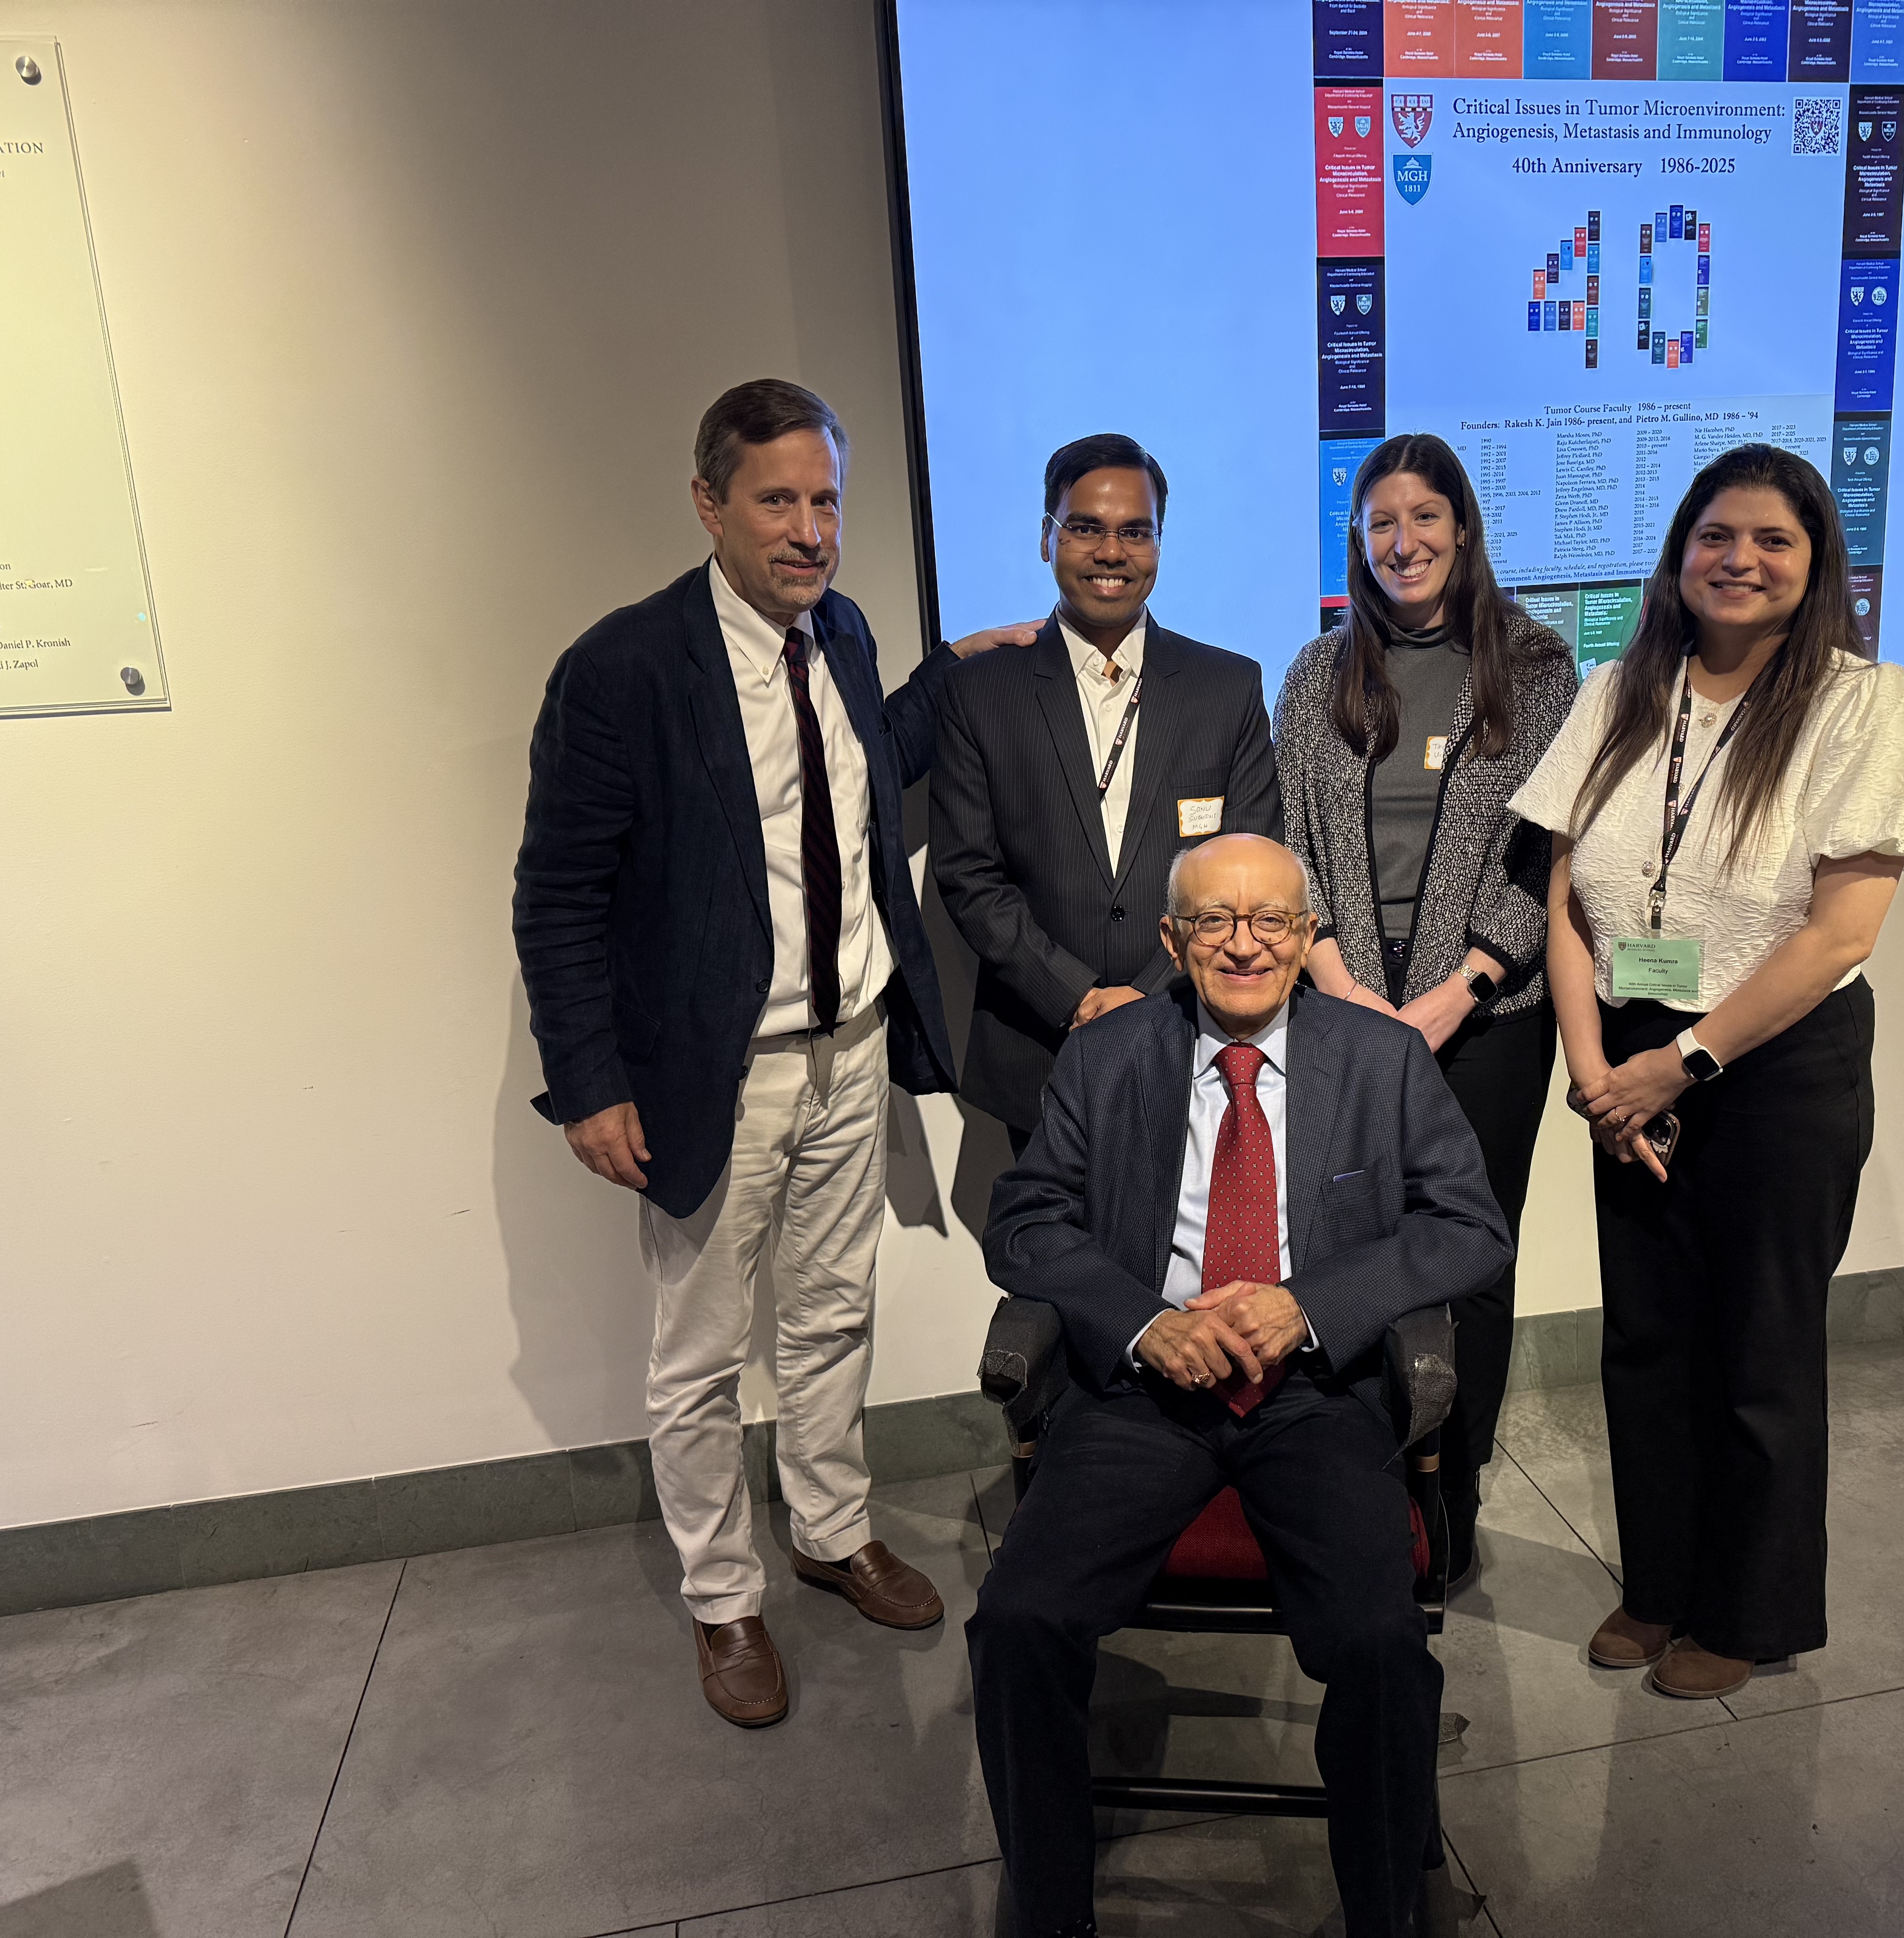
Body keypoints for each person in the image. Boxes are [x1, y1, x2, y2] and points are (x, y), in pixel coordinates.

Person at [512, 379, 1036, 1729]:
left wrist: (948, 674)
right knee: (699, 1355)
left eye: (827, 501)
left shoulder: (840, 631)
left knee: (832, 1311)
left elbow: (858, 767)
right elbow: (558, 894)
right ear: (709, 504)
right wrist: (590, 1083)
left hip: (851, 1047)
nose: (810, 531)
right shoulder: (623, 669)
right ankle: (723, 1597)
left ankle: (831, 1529)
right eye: (778, 501)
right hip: (715, 1073)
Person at [968, 833, 1510, 1938]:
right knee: (1018, 1622)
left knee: (1378, 1642)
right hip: (1143, 1399)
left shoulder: (1382, 1059)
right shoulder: (1108, 1055)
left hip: (1318, 1396)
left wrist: (1311, 1305)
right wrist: (1142, 1325)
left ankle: (1388, 1911)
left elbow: (1469, 1228)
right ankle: (1049, 1909)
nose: (1245, 944)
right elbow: (1024, 1222)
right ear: (1174, 941)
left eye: (1271, 920)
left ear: (1308, 937)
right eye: (1215, 920)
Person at [1507, 442, 1904, 1701]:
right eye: (1717, 535)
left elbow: (1841, 934)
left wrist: (1681, 1065)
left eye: (1773, 540)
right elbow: (1566, 894)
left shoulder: (1866, 705)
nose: (1740, 560)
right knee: (1648, 1340)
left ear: (1818, 562)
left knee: (1761, 1349)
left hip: (1773, 1062)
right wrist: (1597, 1070)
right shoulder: (1619, 691)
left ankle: (1749, 1612)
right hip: (1631, 1051)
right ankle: (1660, 1582)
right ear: (1679, 554)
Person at [1273, 431, 1578, 1584]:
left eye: (1425, 518)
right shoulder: (1317, 673)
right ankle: (1366, 1486)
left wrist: (1462, 990)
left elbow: (1546, 848)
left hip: (1490, 1022)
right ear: (1358, 539)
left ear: (1463, 528)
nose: (1403, 542)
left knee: (1468, 1261)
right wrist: (1344, 989)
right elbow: (1289, 843)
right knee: (1352, 1252)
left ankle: (1452, 1498)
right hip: (1341, 1013)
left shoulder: (1538, 670)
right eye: (1381, 523)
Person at [932, 433, 1282, 1149]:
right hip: (1039, 1048)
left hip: (1192, 1036)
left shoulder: (1228, 688)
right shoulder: (978, 693)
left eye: (1135, 532)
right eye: (1087, 528)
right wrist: (1078, 997)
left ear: (1159, 544)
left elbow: (1249, 868)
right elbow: (969, 875)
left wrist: (1147, 998)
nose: (1112, 552)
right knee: (1055, 1228)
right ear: (1047, 538)